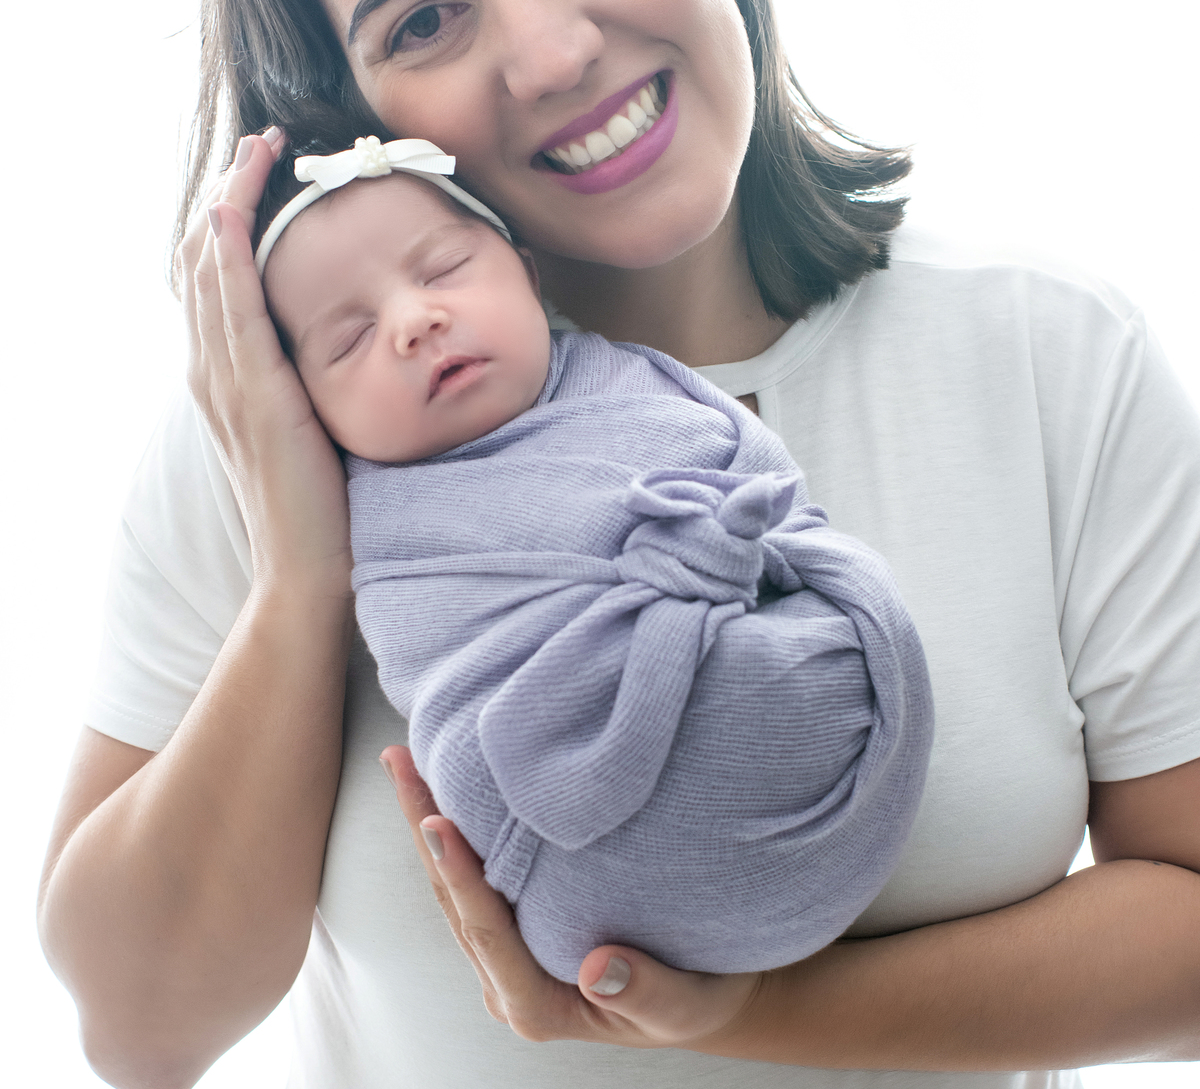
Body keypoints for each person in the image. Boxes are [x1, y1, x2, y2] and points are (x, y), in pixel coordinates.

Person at [36, 0, 1200, 1089]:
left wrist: (727, 1014)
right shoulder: (280, 441)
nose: (551, 46)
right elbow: (141, 1037)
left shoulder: (1042, 356)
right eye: (421, 20)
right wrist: (303, 575)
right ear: (357, 127)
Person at [253, 139, 933, 982]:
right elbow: (450, 668)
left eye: (445, 269)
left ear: (529, 275)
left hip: (804, 728)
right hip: (573, 846)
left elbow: (771, 498)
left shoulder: (635, 384)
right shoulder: (376, 527)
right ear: (308, 407)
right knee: (481, 759)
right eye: (350, 340)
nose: (412, 322)